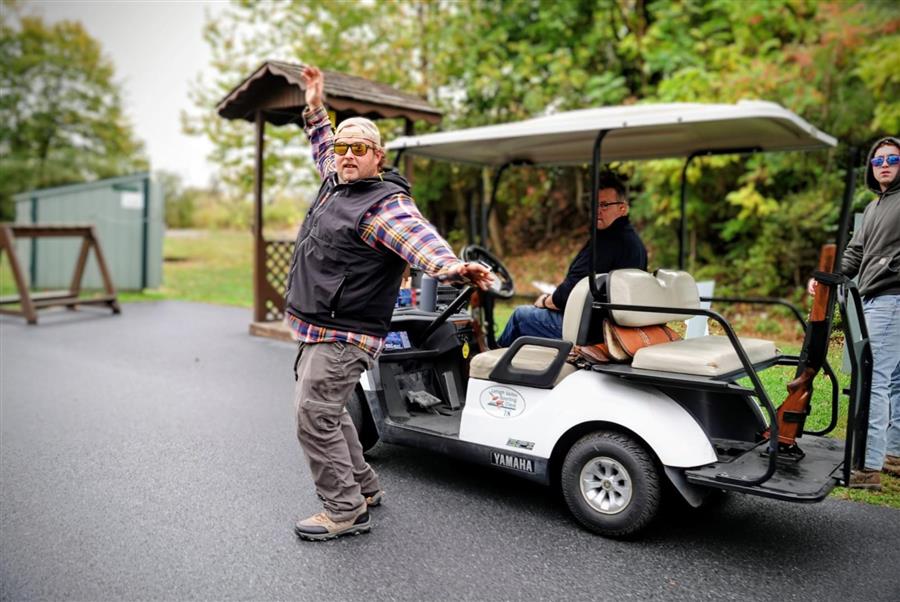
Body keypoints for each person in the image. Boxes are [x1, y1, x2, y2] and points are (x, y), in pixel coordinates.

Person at [286, 65, 494, 541]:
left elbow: (419, 239)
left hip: (344, 334)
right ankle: (364, 487)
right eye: (343, 147)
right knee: (329, 411)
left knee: (312, 417)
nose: (347, 155)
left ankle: (344, 509)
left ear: (377, 156)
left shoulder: (384, 205)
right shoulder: (336, 180)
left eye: (359, 149)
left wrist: (451, 266)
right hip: (319, 326)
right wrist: (315, 107)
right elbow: (322, 144)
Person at [815, 137, 900, 490]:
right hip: (879, 298)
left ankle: (866, 467)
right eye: (878, 160)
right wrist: (827, 276)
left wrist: (890, 266)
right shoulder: (876, 205)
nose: (884, 165)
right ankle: (893, 454)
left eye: (892, 159)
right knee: (895, 380)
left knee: (873, 378)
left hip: (891, 298)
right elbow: (855, 252)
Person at [497, 173, 647, 347]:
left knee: (521, 316)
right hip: (610, 326)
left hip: (589, 330)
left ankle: (489, 358)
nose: (597, 210)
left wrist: (545, 301)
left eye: (605, 205)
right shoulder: (633, 241)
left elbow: (569, 293)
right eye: (595, 205)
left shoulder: (608, 242)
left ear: (622, 208)